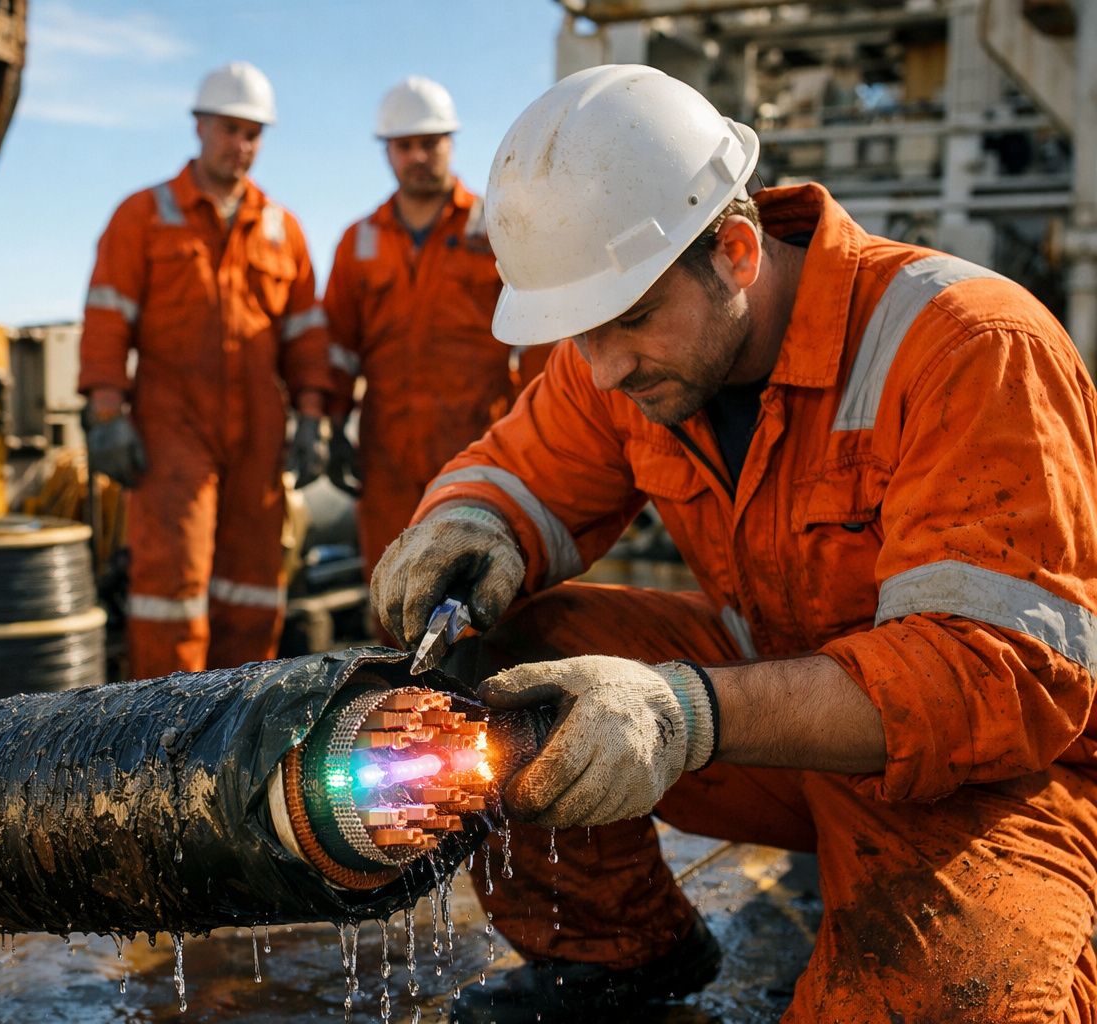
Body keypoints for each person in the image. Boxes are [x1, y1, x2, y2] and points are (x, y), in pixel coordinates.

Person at [372, 64, 1097, 1022]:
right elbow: (521, 467)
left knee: (954, 997)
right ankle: (619, 953)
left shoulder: (970, 346)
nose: (605, 367)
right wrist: (467, 522)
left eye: (628, 323)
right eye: (579, 335)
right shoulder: (635, 353)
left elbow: (995, 679)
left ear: (739, 252)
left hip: (993, 773)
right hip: (783, 720)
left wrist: (684, 713)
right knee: (505, 669)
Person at [80, 61, 332, 679]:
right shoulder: (143, 216)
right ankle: (161, 735)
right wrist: (107, 413)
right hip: (172, 429)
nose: (239, 146)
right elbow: (108, 320)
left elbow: (304, 337)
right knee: (172, 585)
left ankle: (240, 730)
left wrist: (312, 418)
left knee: (253, 589)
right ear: (198, 126)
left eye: (252, 133)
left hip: (258, 434)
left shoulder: (283, 231)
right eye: (228, 129)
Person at [321, 77, 551, 604]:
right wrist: (330, 425)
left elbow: (539, 335)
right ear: (388, 152)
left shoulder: (495, 226)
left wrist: (540, 428)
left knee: (483, 596)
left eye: (431, 143)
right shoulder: (359, 241)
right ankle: (395, 691)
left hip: (480, 448)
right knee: (392, 596)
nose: (419, 156)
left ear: (451, 142)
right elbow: (337, 345)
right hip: (387, 455)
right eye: (405, 146)